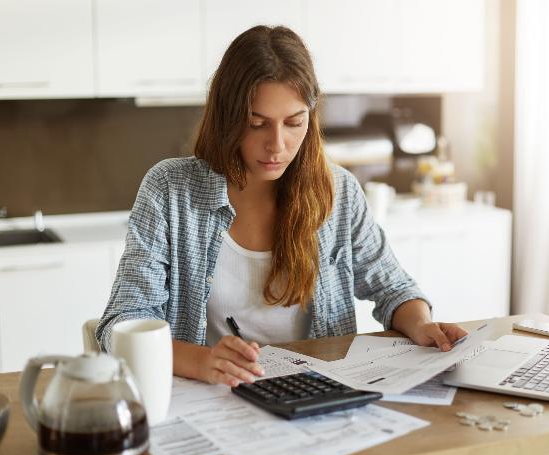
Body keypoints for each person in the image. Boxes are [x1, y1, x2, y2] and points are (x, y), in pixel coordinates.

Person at [96, 25, 467, 387]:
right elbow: (120, 325)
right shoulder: (169, 191)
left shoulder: (338, 192)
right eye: (257, 123)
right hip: (212, 398)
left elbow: (393, 288)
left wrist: (420, 324)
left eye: (294, 122)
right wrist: (201, 361)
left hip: (316, 393)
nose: (277, 145)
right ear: (228, 118)